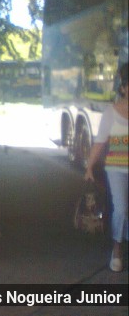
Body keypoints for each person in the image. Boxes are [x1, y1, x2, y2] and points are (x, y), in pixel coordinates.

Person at [85, 62, 128, 272]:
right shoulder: (111, 112)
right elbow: (100, 142)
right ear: (123, 88)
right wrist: (89, 167)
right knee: (121, 208)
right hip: (116, 169)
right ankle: (117, 247)